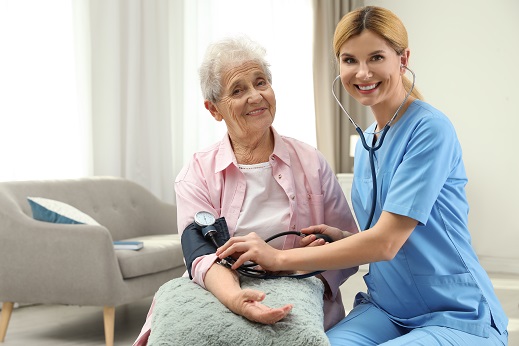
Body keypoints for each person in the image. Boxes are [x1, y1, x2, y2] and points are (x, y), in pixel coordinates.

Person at [217, 6, 509, 346]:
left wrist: (279, 258)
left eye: (376, 57)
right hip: (386, 307)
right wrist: (341, 237)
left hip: (454, 312)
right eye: (350, 60)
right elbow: (383, 233)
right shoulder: (369, 140)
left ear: (402, 59)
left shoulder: (431, 130)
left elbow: (386, 242)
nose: (363, 72)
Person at [132, 36, 358, 346]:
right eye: (238, 90)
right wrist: (237, 298)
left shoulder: (311, 162)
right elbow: (201, 256)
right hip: (221, 290)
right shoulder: (197, 172)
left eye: (261, 82)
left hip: (302, 290)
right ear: (214, 109)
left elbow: (350, 248)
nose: (255, 96)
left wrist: (299, 265)